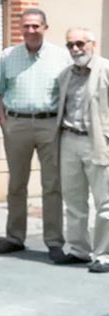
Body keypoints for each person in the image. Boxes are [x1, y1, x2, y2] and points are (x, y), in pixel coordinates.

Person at [0, 8, 72, 257]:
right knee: (16, 184)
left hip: (50, 125)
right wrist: (4, 123)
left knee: (52, 185)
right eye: (26, 26)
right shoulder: (8, 55)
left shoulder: (61, 56)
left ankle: (54, 241)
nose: (30, 31)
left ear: (45, 28)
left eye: (35, 26)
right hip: (17, 125)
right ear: (20, 28)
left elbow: (69, 92)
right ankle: (15, 237)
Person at [53, 28, 109, 272]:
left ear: (92, 44)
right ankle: (79, 250)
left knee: (105, 202)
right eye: (70, 45)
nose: (75, 49)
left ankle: (104, 255)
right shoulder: (65, 74)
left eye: (79, 43)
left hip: (98, 142)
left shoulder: (106, 70)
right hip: (69, 140)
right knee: (74, 200)